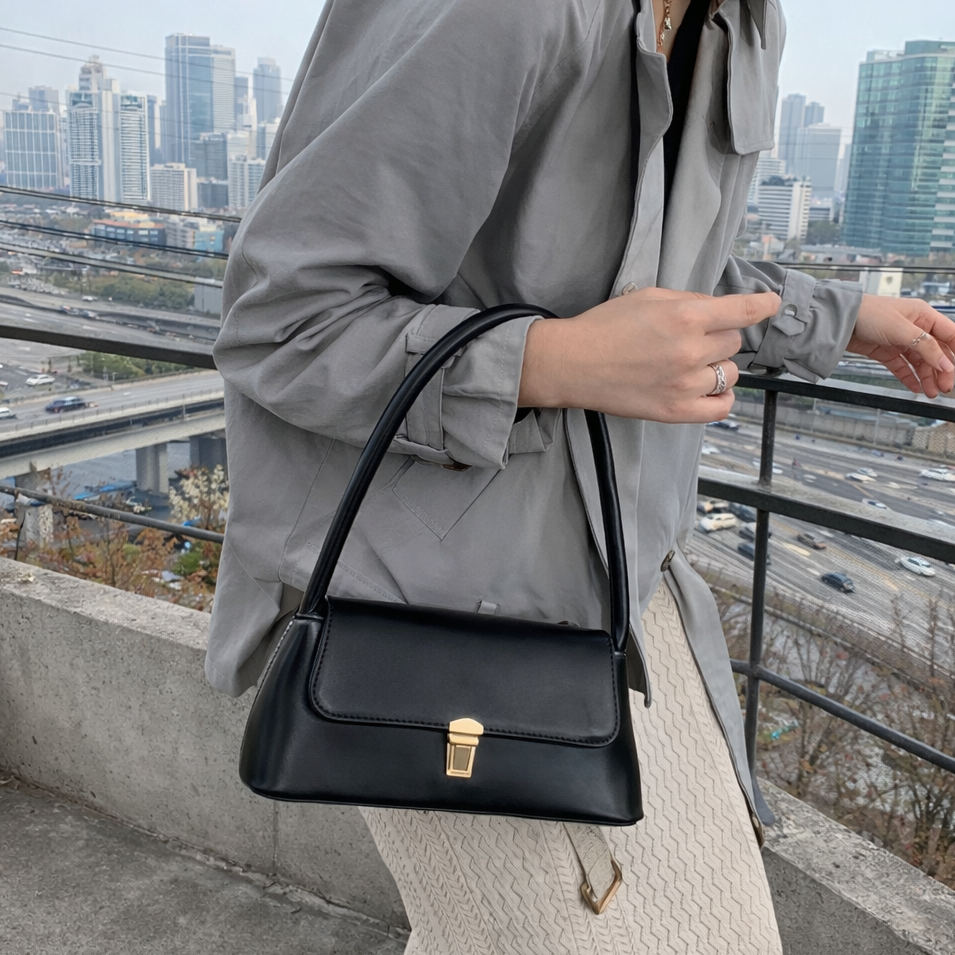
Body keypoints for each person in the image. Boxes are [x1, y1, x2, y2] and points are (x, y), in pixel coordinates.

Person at [207, 0, 955, 951]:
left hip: (620, 579)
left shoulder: (745, 24)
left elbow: (652, 272)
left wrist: (835, 318)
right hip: (418, 611)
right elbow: (280, 318)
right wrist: (548, 362)